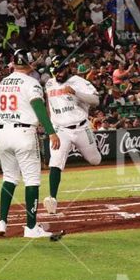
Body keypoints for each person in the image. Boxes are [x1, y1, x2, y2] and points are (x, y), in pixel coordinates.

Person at [0, 49, 61, 239]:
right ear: (30, 64)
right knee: (31, 180)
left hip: (2, 132)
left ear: (14, 63)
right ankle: (31, 227)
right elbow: (38, 108)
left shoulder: (4, 82)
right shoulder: (31, 82)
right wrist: (51, 132)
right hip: (23, 132)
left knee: (9, 177)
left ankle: (1, 221)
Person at [43, 55, 101, 214]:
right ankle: (52, 199)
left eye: (61, 71)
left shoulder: (79, 81)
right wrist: (50, 129)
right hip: (60, 130)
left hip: (81, 127)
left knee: (95, 160)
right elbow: (49, 105)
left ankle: (85, 145)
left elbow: (96, 100)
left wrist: (75, 92)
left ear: (67, 68)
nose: (58, 74)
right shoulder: (49, 83)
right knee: (55, 162)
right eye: (55, 71)